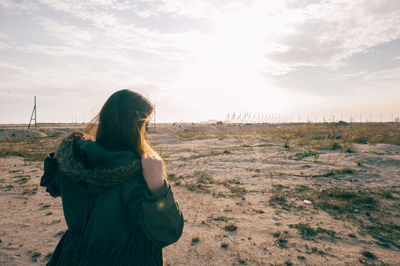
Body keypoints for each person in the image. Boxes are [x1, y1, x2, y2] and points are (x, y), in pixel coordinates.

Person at [40, 89, 184, 265]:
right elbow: (167, 233)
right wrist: (157, 188)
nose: (147, 133)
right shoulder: (138, 176)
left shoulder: (77, 159)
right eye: (145, 125)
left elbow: (52, 185)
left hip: (70, 258)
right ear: (135, 128)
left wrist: (60, 154)